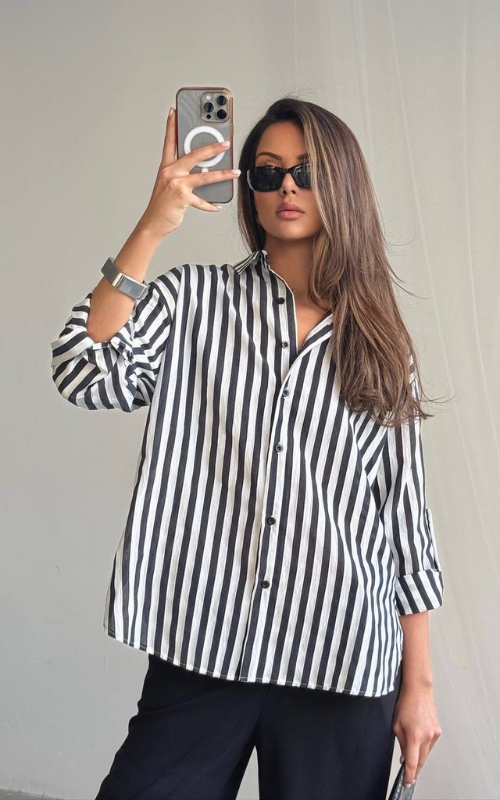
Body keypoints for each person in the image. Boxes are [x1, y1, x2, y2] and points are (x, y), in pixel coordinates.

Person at [50, 96, 445, 800]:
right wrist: (153, 225)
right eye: (267, 172)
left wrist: (419, 687)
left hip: (339, 659)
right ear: (249, 190)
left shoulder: (378, 341)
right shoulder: (192, 301)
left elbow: (403, 520)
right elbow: (84, 370)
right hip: (205, 646)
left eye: (306, 171)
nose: (286, 186)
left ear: (342, 185)